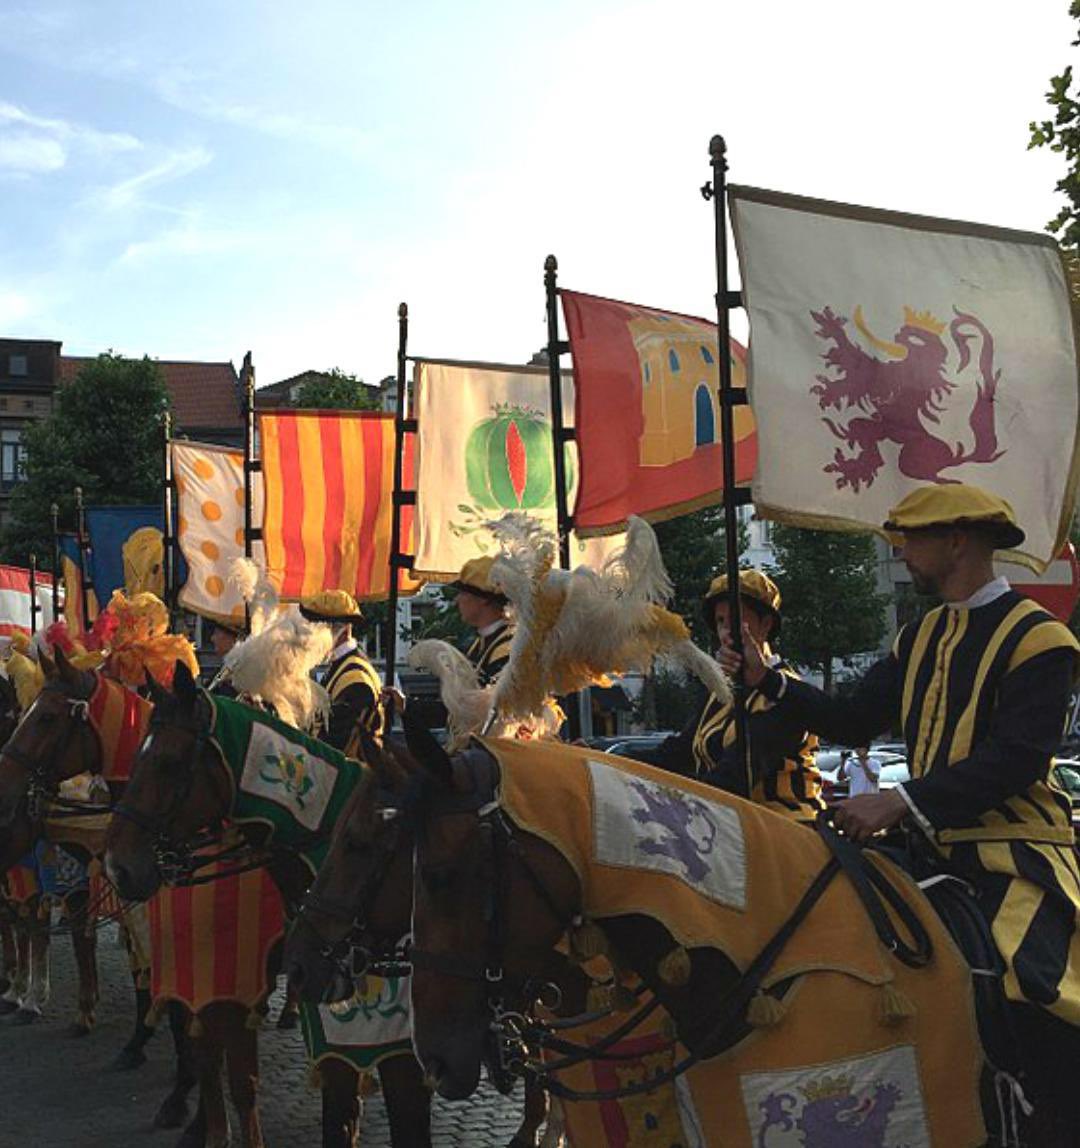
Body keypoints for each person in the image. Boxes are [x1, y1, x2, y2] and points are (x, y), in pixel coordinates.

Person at [720, 483, 1080, 1138]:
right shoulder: (916, 637)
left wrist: (900, 799)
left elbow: (1019, 758)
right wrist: (768, 680)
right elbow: (855, 717)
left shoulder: (1041, 638)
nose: (903, 553)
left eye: (911, 540)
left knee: (1037, 987)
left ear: (957, 541)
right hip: (927, 845)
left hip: (1017, 848)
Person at [649, 568, 824, 823]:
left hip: (785, 828)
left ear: (765, 625)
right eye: (720, 622)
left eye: (736, 621)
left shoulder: (785, 693)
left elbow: (739, 770)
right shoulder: (719, 691)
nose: (726, 632)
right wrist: (602, 761)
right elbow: (679, 753)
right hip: (731, 825)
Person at [299, 590, 384, 753]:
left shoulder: (356, 678)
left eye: (315, 628)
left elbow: (335, 744)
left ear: (343, 629)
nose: (308, 637)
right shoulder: (340, 666)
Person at [451, 556, 514, 687]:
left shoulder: (508, 646)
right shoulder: (482, 642)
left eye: (463, 593)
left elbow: (490, 703)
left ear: (483, 599)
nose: (456, 600)